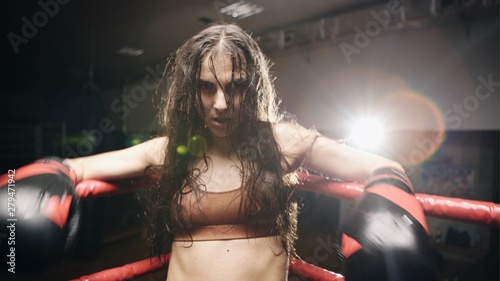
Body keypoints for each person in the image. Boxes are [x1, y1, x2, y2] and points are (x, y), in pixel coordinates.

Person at [1, 23, 438, 280]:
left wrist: (389, 195)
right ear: (190, 91)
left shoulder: (283, 142)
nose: (222, 104)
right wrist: (32, 188)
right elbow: (71, 168)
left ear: (254, 87)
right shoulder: (169, 150)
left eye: (236, 87)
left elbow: (383, 166)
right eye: (207, 88)